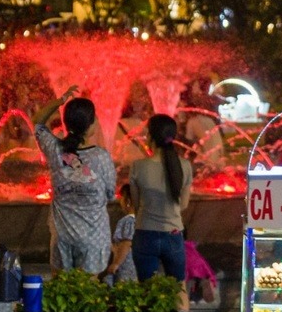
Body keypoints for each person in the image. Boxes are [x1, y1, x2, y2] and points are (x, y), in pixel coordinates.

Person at [32, 87, 115, 275]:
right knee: (89, 293)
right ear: (91, 124)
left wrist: (60, 100)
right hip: (94, 236)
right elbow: (110, 192)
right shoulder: (102, 157)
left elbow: (37, 122)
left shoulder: (56, 151)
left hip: (63, 237)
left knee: (62, 293)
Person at [127, 113, 193, 280]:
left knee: (146, 290)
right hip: (173, 233)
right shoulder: (184, 166)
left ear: (149, 137)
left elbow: (136, 204)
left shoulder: (138, 167)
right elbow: (183, 204)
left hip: (145, 233)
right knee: (177, 288)